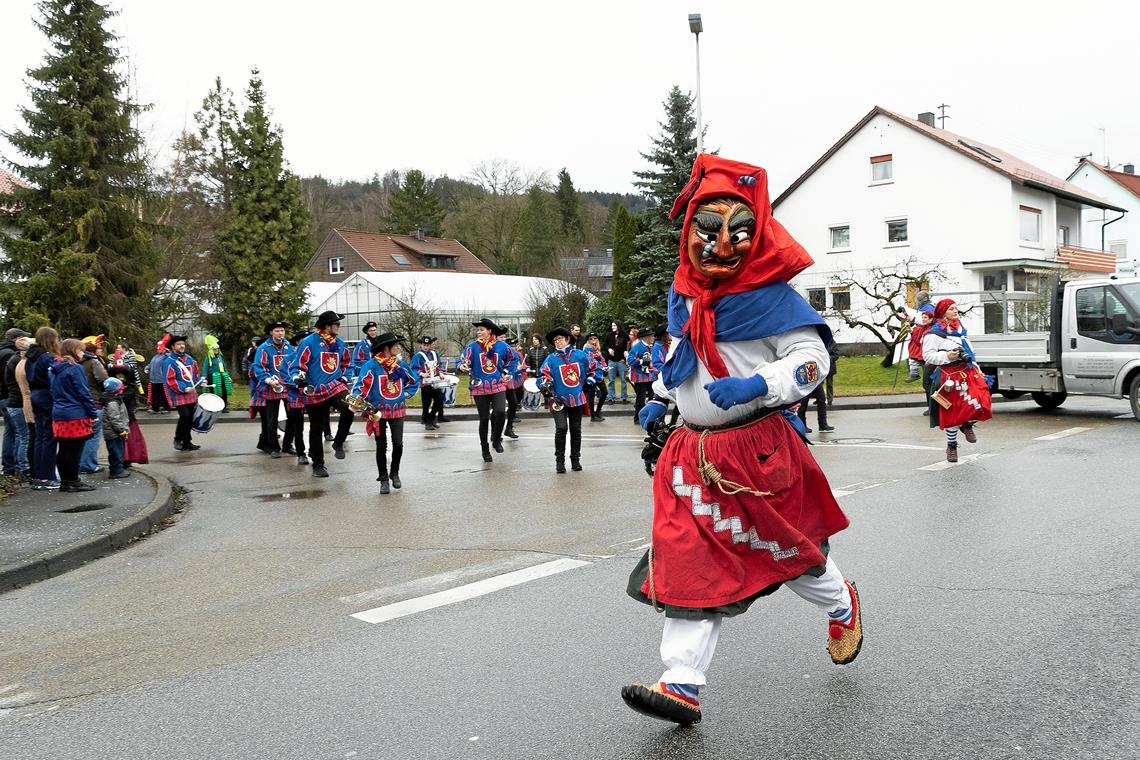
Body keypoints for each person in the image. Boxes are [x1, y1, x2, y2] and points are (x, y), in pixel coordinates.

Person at [622, 154, 860, 725]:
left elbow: (812, 361)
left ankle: (843, 604)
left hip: (757, 452)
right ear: (690, 232)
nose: (722, 246)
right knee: (686, 560)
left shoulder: (775, 299)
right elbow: (684, 352)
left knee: (791, 559)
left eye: (739, 232)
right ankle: (681, 684)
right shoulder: (685, 293)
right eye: (708, 231)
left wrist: (761, 382)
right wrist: (661, 394)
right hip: (691, 455)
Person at [923, 298, 992, 462]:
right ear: (943, 312)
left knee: (980, 399)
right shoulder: (934, 333)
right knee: (952, 412)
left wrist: (977, 368)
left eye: (956, 308)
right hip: (949, 376)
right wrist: (946, 355)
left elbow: (970, 351)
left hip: (967, 371)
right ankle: (952, 445)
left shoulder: (960, 329)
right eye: (952, 309)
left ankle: (966, 423)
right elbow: (927, 355)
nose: (956, 311)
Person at [350, 333, 419, 494]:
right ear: (386, 348)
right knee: (381, 446)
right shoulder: (371, 365)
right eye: (396, 345)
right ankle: (383, 479)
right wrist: (355, 401)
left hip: (397, 410)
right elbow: (362, 385)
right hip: (377, 412)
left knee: (398, 443)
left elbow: (413, 381)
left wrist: (406, 394)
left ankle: (394, 472)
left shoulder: (400, 364)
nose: (398, 348)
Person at [288, 310, 355, 478]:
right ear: (327, 326)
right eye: (337, 324)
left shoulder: (340, 343)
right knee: (316, 428)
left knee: (350, 407)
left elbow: (347, 363)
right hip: (315, 390)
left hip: (334, 386)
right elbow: (298, 364)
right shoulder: (309, 342)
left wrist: (345, 378)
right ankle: (318, 465)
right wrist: (298, 378)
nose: (339, 327)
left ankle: (338, 442)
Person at [539, 327, 600, 472]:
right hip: (558, 399)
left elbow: (595, 368)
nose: (557, 342)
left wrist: (591, 379)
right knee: (561, 428)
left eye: (560, 339)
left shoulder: (580, 355)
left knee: (576, 429)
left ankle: (575, 460)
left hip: (576, 398)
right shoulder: (551, 359)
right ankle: (559, 461)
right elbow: (543, 374)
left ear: (567, 339)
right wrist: (544, 384)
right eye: (555, 340)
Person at [457, 318, 516, 462]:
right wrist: (461, 366)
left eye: (481, 329)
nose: (478, 332)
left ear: (489, 331)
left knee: (501, 412)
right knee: (484, 419)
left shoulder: (502, 346)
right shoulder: (472, 347)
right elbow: (461, 360)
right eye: (477, 330)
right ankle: (485, 448)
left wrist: (508, 372)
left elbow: (513, 360)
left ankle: (496, 439)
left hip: (497, 384)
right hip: (479, 386)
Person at [50, 338, 99, 492]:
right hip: (75, 413)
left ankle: (65, 481)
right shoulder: (75, 368)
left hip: (59, 413)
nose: (82, 353)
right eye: (80, 350)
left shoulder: (54, 368)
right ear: (73, 351)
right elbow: (83, 392)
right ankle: (74, 481)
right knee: (75, 450)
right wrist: (92, 412)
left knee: (64, 449)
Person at [27, 326, 61, 490]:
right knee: (48, 438)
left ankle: (39, 475)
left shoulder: (30, 356)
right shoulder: (47, 358)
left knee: (40, 438)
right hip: (47, 396)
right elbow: (55, 377)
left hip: (35, 395)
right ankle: (47, 477)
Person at [253, 322, 293, 458]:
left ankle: (288, 445)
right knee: (272, 419)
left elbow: (294, 365)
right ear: (271, 333)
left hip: (288, 387)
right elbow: (259, 367)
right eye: (277, 331)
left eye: (282, 330)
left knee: (292, 418)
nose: (280, 333)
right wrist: (269, 380)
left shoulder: (290, 348)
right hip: (272, 387)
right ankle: (274, 447)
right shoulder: (263, 348)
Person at [163, 335, 203, 452]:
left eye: (183, 344)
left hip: (191, 393)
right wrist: (182, 388)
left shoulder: (190, 359)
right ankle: (178, 439)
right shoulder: (169, 362)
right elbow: (170, 379)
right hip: (179, 393)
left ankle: (187, 441)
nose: (182, 346)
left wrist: (201, 382)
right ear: (172, 347)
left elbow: (195, 375)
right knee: (184, 416)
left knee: (190, 417)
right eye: (179, 344)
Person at [0, 328, 29, 476]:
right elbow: (9, 379)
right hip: (10, 397)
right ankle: (17, 467)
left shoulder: (3, 351)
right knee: (19, 434)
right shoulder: (10, 355)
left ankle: (9, 467)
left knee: (10, 432)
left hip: (4, 397)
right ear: (17, 338)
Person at [79, 336, 109, 474]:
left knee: (82, 435)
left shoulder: (75, 362)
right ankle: (88, 464)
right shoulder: (93, 362)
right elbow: (104, 380)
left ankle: (81, 462)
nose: (101, 350)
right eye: (99, 348)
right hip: (94, 400)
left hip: (79, 402)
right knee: (93, 435)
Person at [282, 331, 309, 465]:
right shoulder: (288, 359)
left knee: (318, 425)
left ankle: (316, 453)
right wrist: (298, 385)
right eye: (303, 340)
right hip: (295, 396)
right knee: (298, 427)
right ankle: (301, 453)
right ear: (297, 343)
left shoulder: (313, 356)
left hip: (313, 395)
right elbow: (284, 377)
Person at [12, 336, 36, 479]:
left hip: (27, 401)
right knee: (28, 438)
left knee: (27, 437)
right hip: (30, 403)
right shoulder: (26, 365)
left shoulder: (21, 363)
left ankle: (25, 466)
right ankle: (26, 467)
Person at [410, 335, 445, 430]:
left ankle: (431, 418)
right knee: (426, 404)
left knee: (439, 401)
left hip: (436, 381)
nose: (426, 347)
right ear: (421, 345)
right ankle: (428, 423)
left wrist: (441, 372)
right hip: (426, 384)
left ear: (430, 345)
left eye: (427, 345)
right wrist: (421, 373)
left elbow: (439, 364)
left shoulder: (434, 354)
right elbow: (413, 368)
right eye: (424, 345)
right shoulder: (417, 356)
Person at [100, 377, 130, 479]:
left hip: (114, 432)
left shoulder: (114, 400)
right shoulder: (113, 402)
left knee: (117, 450)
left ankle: (118, 469)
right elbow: (114, 418)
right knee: (116, 452)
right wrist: (121, 430)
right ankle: (116, 470)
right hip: (114, 433)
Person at [626, 328, 659, 423]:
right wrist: (641, 361)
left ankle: (650, 416)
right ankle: (637, 418)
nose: (653, 337)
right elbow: (630, 360)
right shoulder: (637, 347)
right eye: (651, 336)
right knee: (641, 398)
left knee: (653, 395)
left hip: (650, 375)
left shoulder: (652, 347)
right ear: (645, 337)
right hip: (640, 377)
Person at [499, 330, 527, 440]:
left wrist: (519, 368)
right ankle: (494, 433)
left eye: (504, 336)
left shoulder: (512, 351)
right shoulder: (493, 349)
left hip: (509, 381)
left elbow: (516, 363)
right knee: (498, 410)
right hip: (498, 382)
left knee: (514, 403)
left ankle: (509, 428)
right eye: (500, 337)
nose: (502, 339)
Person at [107, 342, 144, 420]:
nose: (117, 349)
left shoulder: (130, 356)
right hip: (118, 381)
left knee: (129, 399)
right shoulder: (115, 356)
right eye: (116, 348)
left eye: (119, 348)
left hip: (129, 381)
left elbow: (132, 366)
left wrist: (122, 366)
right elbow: (110, 365)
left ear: (123, 348)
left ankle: (132, 412)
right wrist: (114, 366)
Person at [905, 303, 935, 383]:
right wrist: (911, 331)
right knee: (926, 383)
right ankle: (914, 373)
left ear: (931, 319)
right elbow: (918, 341)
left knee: (929, 382)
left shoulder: (932, 329)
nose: (923, 319)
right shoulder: (922, 328)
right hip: (924, 356)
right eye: (922, 317)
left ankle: (914, 373)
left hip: (930, 358)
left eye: (925, 317)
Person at [202, 335, 233, 412]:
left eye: (217, 349)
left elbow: (224, 367)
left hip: (222, 378)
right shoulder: (208, 358)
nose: (216, 350)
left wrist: (228, 376)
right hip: (213, 379)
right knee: (214, 393)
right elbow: (205, 368)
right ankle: (216, 408)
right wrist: (204, 378)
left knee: (224, 392)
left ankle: (224, 407)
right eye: (214, 349)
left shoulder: (220, 357)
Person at [602, 320, 629, 403]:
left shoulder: (625, 335)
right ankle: (611, 397)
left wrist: (624, 358)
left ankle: (624, 397)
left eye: (614, 325)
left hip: (621, 361)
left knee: (623, 380)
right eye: (612, 325)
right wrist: (608, 349)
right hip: (611, 361)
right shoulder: (609, 335)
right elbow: (604, 346)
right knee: (611, 380)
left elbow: (627, 347)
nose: (612, 327)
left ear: (618, 326)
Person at [583, 332, 609, 421]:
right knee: (591, 396)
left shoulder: (596, 349)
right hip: (591, 374)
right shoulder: (587, 349)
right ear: (588, 340)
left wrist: (604, 366)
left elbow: (601, 360)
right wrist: (597, 359)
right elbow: (589, 361)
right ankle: (593, 416)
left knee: (604, 392)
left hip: (599, 374)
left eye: (594, 338)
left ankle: (597, 411)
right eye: (591, 339)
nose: (593, 340)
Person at [146, 334, 172, 414]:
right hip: (153, 379)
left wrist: (167, 352)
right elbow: (152, 364)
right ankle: (155, 408)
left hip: (161, 379)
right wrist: (147, 368)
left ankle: (166, 408)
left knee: (163, 395)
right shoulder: (156, 356)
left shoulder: (166, 356)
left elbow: (171, 358)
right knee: (155, 396)